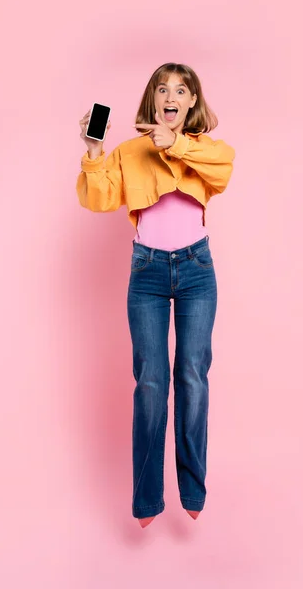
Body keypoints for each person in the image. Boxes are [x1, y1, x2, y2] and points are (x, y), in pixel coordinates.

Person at [77, 62, 235, 528]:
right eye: (162, 89)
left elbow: (223, 172)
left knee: (191, 375)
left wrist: (178, 144)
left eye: (181, 90)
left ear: (191, 102)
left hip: (196, 270)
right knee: (149, 384)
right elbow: (99, 197)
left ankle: (192, 489)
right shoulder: (131, 151)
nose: (171, 96)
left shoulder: (206, 150)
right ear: (153, 99)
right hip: (146, 270)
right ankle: (147, 501)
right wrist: (94, 151)